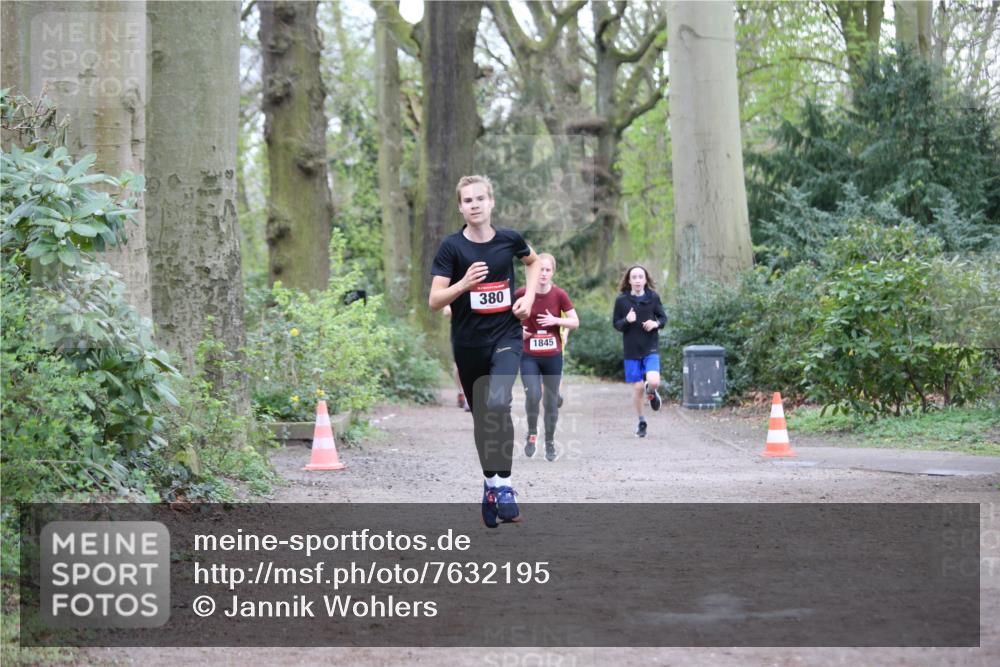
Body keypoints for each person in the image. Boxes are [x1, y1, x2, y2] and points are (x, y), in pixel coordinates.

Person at [429, 175, 540, 528]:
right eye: (468, 200)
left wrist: (529, 299)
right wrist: (463, 284)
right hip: (468, 344)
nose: (474, 204)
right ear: (461, 208)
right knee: (484, 420)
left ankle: (504, 486)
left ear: (491, 202)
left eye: (480, 198)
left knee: (498, 401)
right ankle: (491, 486)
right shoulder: (451, 248)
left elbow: (533, 263)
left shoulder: (509, 239)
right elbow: (434, 301)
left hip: (506, 335)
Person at [514, 253, 578, 462]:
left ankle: (549, 441)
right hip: (528, 356)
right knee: (533, 395)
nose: (543, 273)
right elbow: (504, 320)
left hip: (552, 356)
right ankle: (532, 433)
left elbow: (575, 321)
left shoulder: (559, 295)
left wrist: (555, 320)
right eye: (540, 269)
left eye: (547, 270)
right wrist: (517, 332)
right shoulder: (522, 293)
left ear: (553, 272)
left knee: (550, 403)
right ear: (533, 271)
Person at [612, 265, 666, 438]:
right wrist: (627, 320)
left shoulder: (653, 298)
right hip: (631, 350)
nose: (637, 280)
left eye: (640, 277)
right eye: (633, 277)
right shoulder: (622, 301)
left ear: (645, 279)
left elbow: (663, 318)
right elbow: (616, 324)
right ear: (629, 280)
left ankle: (652, 392)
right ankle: (642, 421)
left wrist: (655, 324)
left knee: (654, 381)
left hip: (650, 347)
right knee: (637, 389)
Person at [442, 305, 470, 411]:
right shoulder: (457, 288)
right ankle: (461, 392)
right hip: (460, 332)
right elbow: (446, 311)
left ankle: (472, 396)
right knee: (459, 367)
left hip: (480, 332)